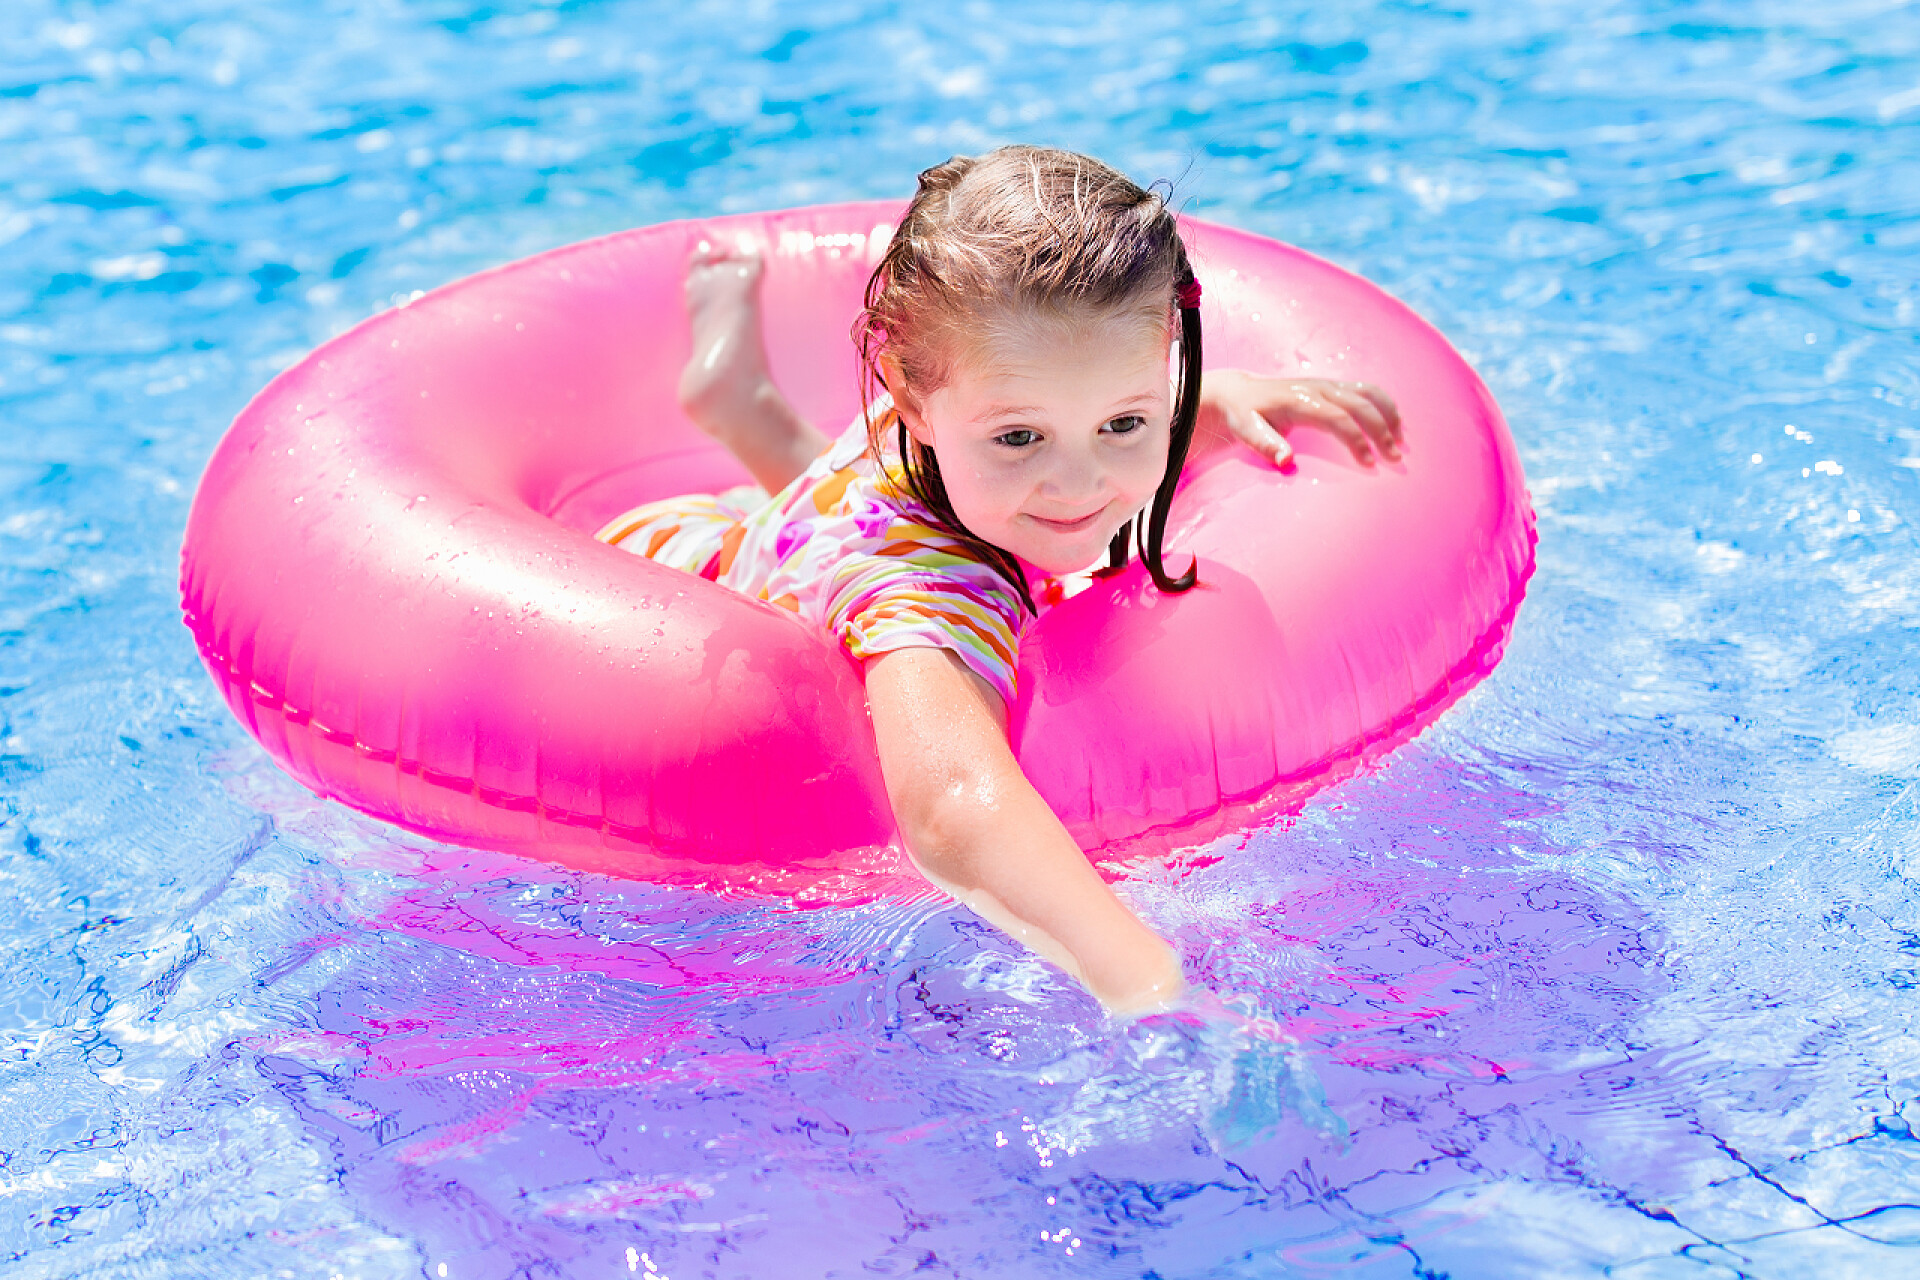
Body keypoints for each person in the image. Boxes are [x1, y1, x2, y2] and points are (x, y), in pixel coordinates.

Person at [599, 146, 1400, 1015]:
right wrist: (1142, 979)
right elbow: (951, 808)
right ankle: (744, 410)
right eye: (1021, 438)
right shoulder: (930, 595)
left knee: (977, 472)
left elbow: (1071, 412)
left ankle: (744, 407)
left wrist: (1223, 399)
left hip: (807, 524)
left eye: (1126, 422)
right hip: (675, 567)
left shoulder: (988, 397)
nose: (1080, 484)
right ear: (909, 395)